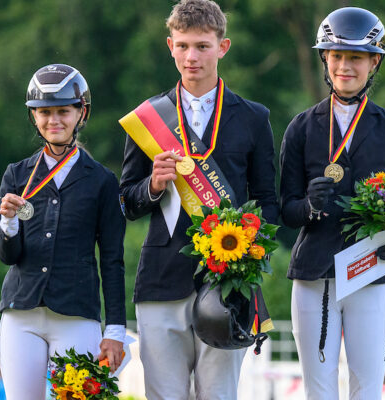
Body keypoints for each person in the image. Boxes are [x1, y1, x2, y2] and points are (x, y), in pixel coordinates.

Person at [119, 0, 278, 398]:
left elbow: (267, 201)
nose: (192, 57)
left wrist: (251, 261)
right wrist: (152, 186)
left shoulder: (254, 117)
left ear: (223, 47)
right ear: (169, 45)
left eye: (203, 46)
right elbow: (126, 202)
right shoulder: (147, 119)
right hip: (160, 280)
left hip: (228, 283)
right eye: (184, 46)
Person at [278, 7, 385, 399]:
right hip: (314, 272)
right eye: (336, 56)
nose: (345, 66)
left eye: (355, 57)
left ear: (374, 62)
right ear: (325, 59)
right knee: (319, 390)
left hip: (370, 271)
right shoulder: (302, 127)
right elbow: (285, 209)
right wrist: (307, 206)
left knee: (367, 388)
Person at [0, 63, 126, 398]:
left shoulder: (102, 181)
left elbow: (112, 260)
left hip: (76, 316)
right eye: (44, 112)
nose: (54, 120)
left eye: (63, 111)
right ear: (34, 118)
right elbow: (8, 255)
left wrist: (115, 330)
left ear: (81, 114)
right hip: (21, 313)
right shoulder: (16, 175)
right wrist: (8, 224)